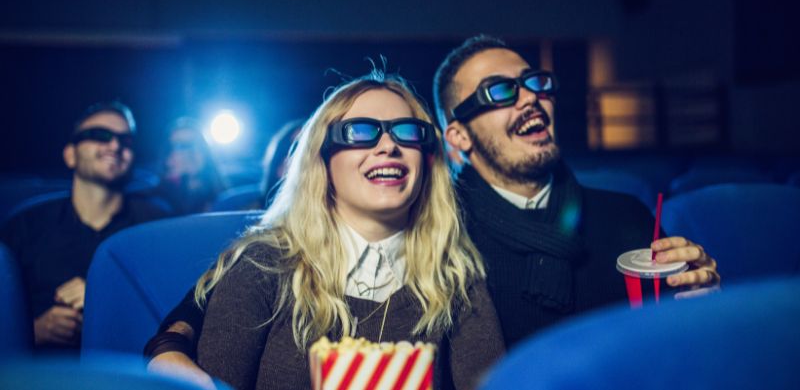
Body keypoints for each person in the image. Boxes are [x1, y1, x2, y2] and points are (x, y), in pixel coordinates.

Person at [148, 73, 504, 390]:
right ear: (323, 161)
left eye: (408, 132)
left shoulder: (457, 278)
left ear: (427, 163)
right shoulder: (263, 267)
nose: (388, 145)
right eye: (361, 132)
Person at [432, 35, 720, 346]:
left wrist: (701, 300)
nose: (530, 98)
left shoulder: (629, 216)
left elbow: (672, 345)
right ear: (459, 136)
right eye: (499, 90)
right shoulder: (439, 239)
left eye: (535, 83)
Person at [0, 101, 169, 352]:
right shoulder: (25, 224)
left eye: (126, 140)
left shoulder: (158, 225)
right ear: (70, 154)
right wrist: (31, 330)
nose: (115, 145)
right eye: (100, 135)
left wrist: (107, 295)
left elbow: (176, 307)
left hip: (128, 367)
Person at [156, 117, 227, 215]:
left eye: (196, 144)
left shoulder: (227, 199)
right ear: (167, 156)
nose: (190, 153)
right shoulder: (153, 205)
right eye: (181, 146)